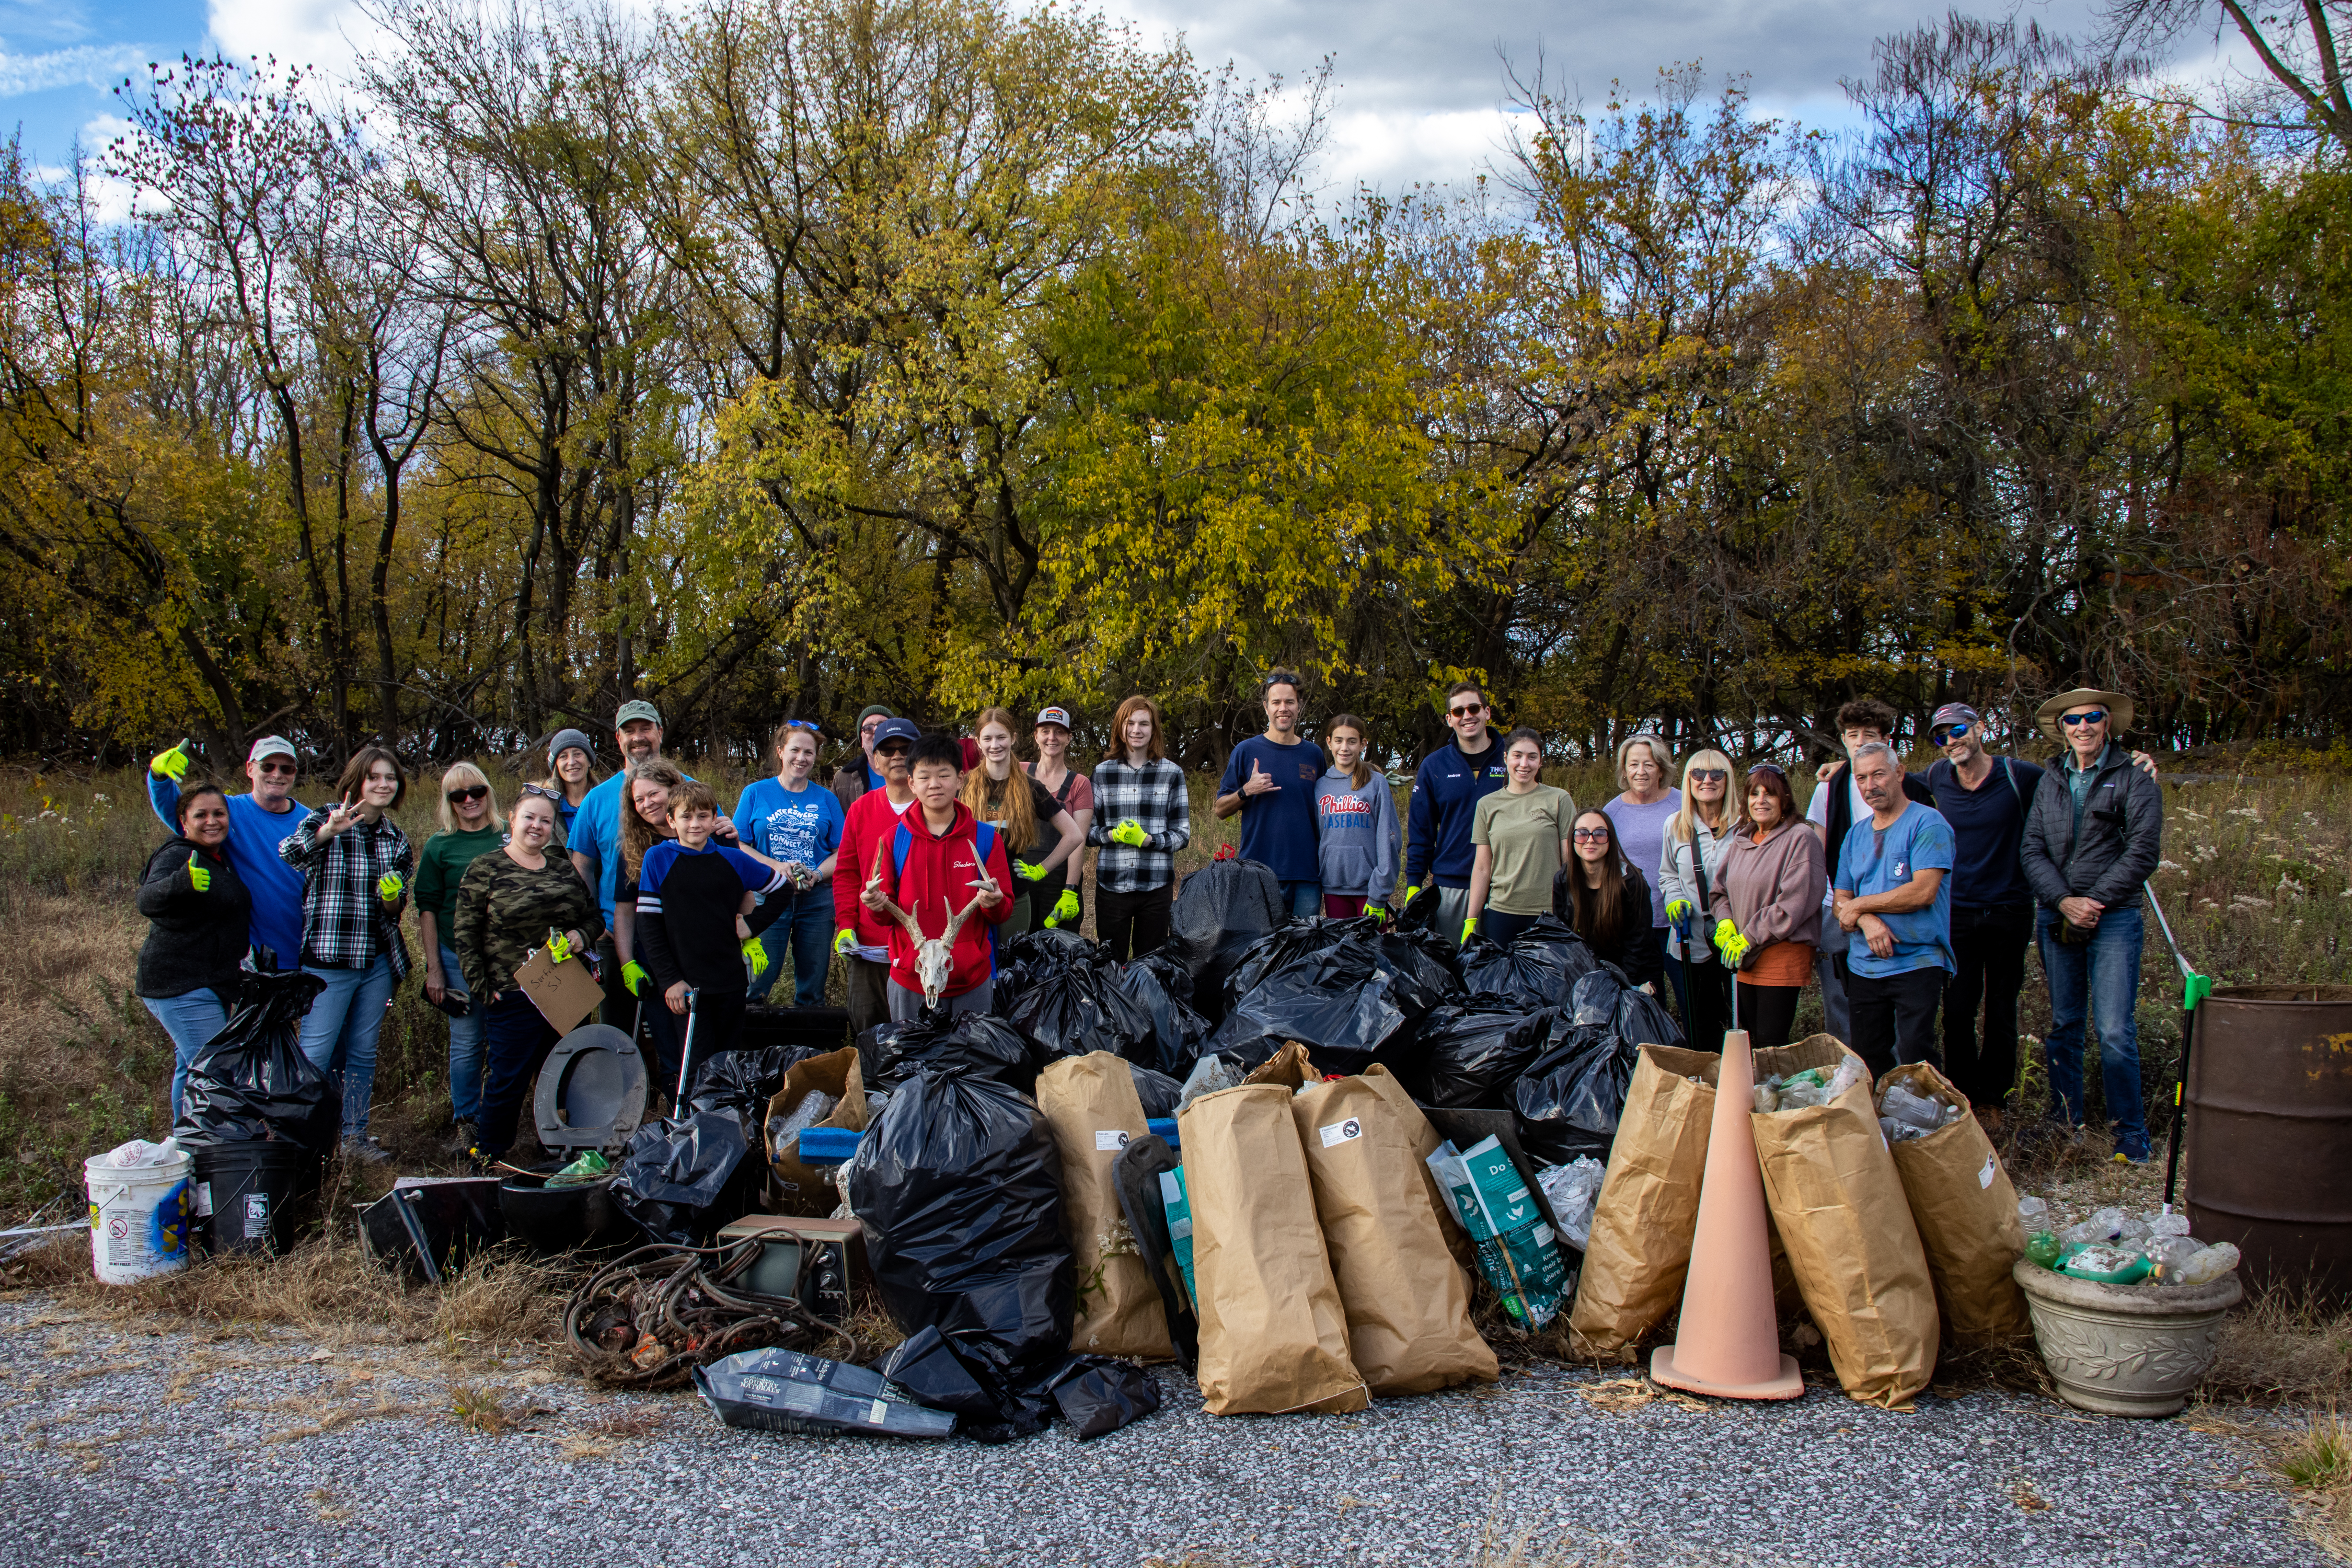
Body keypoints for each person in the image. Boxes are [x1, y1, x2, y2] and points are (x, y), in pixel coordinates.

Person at [2021, 687, 2164, 1163]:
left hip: (2115, 917)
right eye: (2073, 720)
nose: (2082, 726)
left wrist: (2094, 902)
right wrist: (2063, 901)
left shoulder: (2135, 777)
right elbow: (2032, 849)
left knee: (2115, 1029)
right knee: (2065, 1024)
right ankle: (2066, 1125)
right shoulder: (2051, 778)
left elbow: (2143, 851)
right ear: (2062, 729)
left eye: (2092, 717)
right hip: (2057, 915)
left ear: (2108, 724)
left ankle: (2131, 1133)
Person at [278, 746, 415, 1162]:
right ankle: (296, 1140)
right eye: (374, 777)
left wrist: (393, 898)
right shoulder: (327, 817)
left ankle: (353, 1139)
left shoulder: (396, 838)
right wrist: (327, 833)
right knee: (316, 1054)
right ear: (357, 781)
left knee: (362, 1052)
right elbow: (290, 854)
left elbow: (395, 910)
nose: (383, 785)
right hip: (329, 961)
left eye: (390, 778)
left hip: (376, 963)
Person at [453, 787, 603, 1165]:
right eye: (530, 818)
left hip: (565, 988)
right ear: (513, 820)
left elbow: (593, 918)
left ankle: (559, 1148)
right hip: (513, 991)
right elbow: (465, 934)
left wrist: (579, 936)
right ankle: (490, 1154)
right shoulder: (486, 868)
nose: (537, 826)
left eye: (546, 821)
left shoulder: (562, 868)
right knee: (508, 1078)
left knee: (565, 1072)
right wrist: (482, 989)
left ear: (553, 828)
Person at [569, 700, 730, 1031]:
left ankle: (670, 1082)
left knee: (680, 1027)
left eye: (645, 729)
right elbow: (581, 866)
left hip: (683, 934)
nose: (638, 738)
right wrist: (595, 921)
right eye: (629, 731)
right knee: (619, 1027)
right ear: (618, 739)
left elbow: (722, 852)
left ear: (659, 732)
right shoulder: (597, 799)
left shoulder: (691, 791)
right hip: (618, 933)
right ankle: (627, 1083)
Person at [637, 779, 794, 1069]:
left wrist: (752, 925)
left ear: (714, 820)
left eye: (703, 816)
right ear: (672, 821)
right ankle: (693, 1115)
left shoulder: (734, 859)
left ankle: (726, 1115)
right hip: (685, 985)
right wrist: (670, 979)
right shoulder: (658, 859)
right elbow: (649, 927)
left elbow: (783, 888)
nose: (694, 824)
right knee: (695, 1064)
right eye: (686, 816)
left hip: (730, 982)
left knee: (727, 1061)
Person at [1805, 699, 1934, 1044]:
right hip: (1841, 906)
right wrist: (1841, 909)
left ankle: (1900, 1086)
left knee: (1901, 1012)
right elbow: (1819, 857)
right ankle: (1851, 1083)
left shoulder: (1913, 790)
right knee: (1844, 1002)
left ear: (1887, 740)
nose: (1860, 741)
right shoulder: (1829, 787)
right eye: (1853, 735)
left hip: (1900, 907)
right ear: (1843, 739)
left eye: (1870, 734)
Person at [864, 732, 1014, 1019]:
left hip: (970, 981)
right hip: (911, 979)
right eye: (924, 777)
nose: (934, 785)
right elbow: (884, 915)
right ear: (912, 783)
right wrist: (875, 905)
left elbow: (1003, 911)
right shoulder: (893, 840)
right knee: (911, 1061)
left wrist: (994, 902)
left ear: (960, 780)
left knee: (970, 1061)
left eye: (944, 775)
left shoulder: (985, 839)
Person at [1832, 742, 1956, 1079]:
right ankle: (1883, 1129)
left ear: (1899, 773)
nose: (1870, 786)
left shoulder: (1928, 824)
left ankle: (1927, 1126)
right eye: (1861, 779)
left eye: (1878, 775)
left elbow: (1924, 891)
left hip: (1916, 960)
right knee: (1869, 1055)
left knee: (1916, 1052)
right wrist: (1867, 920)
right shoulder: (1855, 835)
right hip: (1863, 967)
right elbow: (1840, 898)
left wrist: (1859, 905)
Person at [146, 734, 309, 970]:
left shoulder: (311, 821)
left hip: (310, 951)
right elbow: (181, 813)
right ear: (250, 769)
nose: (277, 774)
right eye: (268, 766)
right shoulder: (226, 811)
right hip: (258, 958)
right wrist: (159, 776)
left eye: (287, 768)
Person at [136, 782, 249, 1120]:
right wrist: (181, 882)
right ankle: (210, 1147)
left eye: (219, 814)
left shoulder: (220, 858)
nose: (211, 821)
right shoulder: (179, 854)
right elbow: (146, 899)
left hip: (207, 982)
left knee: (191, 1067)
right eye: (201, 815)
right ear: (184, 821)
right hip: (180, 984)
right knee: (215, 1069)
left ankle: (186, 1150)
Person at [415, 763, 506, 1154]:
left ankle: (508, 1118)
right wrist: (435, 967)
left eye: (476, 792)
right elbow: (428, 908)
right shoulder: (440, 845)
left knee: (511, 1041)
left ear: (488, 793)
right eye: (458, 796)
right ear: (449, 802)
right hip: (458, 957)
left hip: (509, 958)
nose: (469, 801)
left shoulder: (507, 835)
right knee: (468, 1043)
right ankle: (466, 1122)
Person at [1711, 763, 1826, 1052]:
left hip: (1780, 954)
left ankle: (1772, 1097)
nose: (1760, 801)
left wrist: (1749, 936)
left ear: (1784, 799)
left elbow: (1794, 903)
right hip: (1742, 955)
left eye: (1770, 794)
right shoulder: (1742, 840)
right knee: (1746, 1041)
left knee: (1770, 1043)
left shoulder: (1801, 838)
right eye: (1754, 794)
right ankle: (1748, 1097)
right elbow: (1720, 891)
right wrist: (1725, 922)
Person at [732, 721, 845, 1007]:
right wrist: (775, 867)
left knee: (812, 985)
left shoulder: (826, 799)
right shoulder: (755, 793)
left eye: (809, 752)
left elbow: (842, 851)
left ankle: (809, 1048)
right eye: (795, 750)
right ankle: (748, 1044)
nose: (801, 758)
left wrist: (817, 875)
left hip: (816, 900)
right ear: (781, 752)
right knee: (756, 980)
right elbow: (738, 845)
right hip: (767, 897)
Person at [1402, 680, 1509, 948]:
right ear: (1449, 720)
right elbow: (1421, 830)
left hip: (1506, 887)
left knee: (1501, 976)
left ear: (1487, 712)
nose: (1467, 716)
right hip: (1452, 887)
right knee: (1453, 972)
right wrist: (1414, 883)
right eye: (1459, 712)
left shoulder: (1514, 760)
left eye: (1473, 708)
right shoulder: (1434, 765)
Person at [1214, 670, 1328, 918]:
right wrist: (1246, 791)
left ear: (1299, 706)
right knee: (1260, 953)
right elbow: (1220, 810)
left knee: (1303, 953)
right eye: (1276, 702)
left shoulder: (1314, 755)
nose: (1283, 708)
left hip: (1307, 875)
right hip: (1257, 875)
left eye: (1289, 702)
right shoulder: (1246, 751)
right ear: (1266, 707)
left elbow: (1328, 808)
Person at [834, 718, 922, 1034]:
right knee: (870, 1029)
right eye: (887, 749)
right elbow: (845, 873)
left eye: (906, 748)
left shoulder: (939, 809)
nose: (897, 756)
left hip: (920, 947)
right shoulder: (861, 809)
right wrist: (845, 925)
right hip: (870, 946)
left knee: (919, 1033)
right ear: (875, 759)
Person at [964, 707, 1084, 934]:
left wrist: (1041, 869)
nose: (995, 745)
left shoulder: (1031, 787)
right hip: (970, 897)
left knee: (1012, 967)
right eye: (987, 738)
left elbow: (1074, 835)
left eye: (1001, 737)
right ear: (977, 742)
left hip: (1015, 898)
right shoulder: (965, 786)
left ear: (1013, 738)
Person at [1088, 696, 1191, 960]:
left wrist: (1149, 840)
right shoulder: (1102, 773)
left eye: (1144, 724)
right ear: (1120, 728)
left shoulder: (1172, 773)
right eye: (1130, 723)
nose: (1136, 730)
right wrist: (1111, 834)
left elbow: (1183, 834)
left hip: (1156, 888)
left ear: (1154, 729)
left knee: (1152, 964)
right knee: (1112, 963)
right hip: (1112, 886)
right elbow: (1087, 832)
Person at [1462, 728, 1576, 947]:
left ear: (1541, 762)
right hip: (1501, 912)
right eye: (1518, 756)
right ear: (1506, 758)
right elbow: (1482, 868)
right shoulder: (1487, 805)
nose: (1524, 764)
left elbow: (1570, 862)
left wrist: (1577, 907)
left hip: (1549, 913)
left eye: (1532, 757)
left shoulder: (1559, 799)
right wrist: (1471, 918)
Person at [1659, 750, 1740, 1050]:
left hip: (1736, 938)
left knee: (1740, 1018)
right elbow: (1668, 874)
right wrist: (1675, 900)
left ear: (1728, 780)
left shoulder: (1744, 826)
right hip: (1691, 938)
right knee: (1702, 1020)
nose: (1708, 781)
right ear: (1689, 781)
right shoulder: (1675, 825)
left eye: (1717, 774)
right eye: (1698, 774)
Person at [614, 761, 688, 1086]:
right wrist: (627, 962)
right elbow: (625, 911)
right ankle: (676, 1120)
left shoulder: (704, 831)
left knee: (702, 1048)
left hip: (700, 959)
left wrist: (747, 932)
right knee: (669, 1052)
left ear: (673, 789)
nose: (647, 804)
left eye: (653, 794)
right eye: (639, 800)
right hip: (655, 964)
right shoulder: (632, 850)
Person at [1603, 735, 1683, 1020]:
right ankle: (1655, 1061)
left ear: (1661, 769)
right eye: (1633, 764)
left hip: (1679, 922)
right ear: (1624, 771)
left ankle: (1703, 1057)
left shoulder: (1683, 803)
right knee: (1649, 1006)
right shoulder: (1612, 812)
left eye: (1648, 764)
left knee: (1691, 1001)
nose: (1641, 771)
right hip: (1635, 927)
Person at [1550, 809, 1664, 990]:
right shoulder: (1564, 879)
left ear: (1611, 839)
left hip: (1635, 973)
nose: (1590, 840)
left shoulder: (1632, 881)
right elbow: (1564, 938)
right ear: (1572, 839)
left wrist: (1619, 984)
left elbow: (1638, 942)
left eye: (1600, 833)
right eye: (1581, 834)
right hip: (1590, 971)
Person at [1314, 713, 1402, 919]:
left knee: (1372, 950)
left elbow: (1389, 839)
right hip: (1333, 886)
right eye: (1339, 740)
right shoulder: (1320, 786)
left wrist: (1379, 893)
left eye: (1352, 741)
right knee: (1341, 950)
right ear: (1329, 742)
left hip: (1370, 891)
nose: (1344, 748)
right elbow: (1318, 837)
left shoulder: (1376, 783)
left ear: (1363, 744)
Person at [1023, 706, 1094, 932]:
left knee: (1058, 953)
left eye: (1059, 732)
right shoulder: (1019, 773)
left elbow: (1078, 840)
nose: (1052, 737)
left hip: (1059, 882)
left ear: (1069, 738)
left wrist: (1070, 890)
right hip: (1020, 877)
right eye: (1045, 731)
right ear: (1036, 736)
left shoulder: (1080, 784)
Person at [831, 705, 900, 815]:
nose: (876, 730)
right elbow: (835, 825)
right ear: (861, 741)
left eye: (882, 725)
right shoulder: (843, 778)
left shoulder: (914, 771)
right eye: (868, 728)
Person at [540, 729, 597, 847]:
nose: (571, 762)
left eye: (578, 754)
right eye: (563, 757)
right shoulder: (546, 806)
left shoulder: (605, 801)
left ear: (589, 761)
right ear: (556, 764)